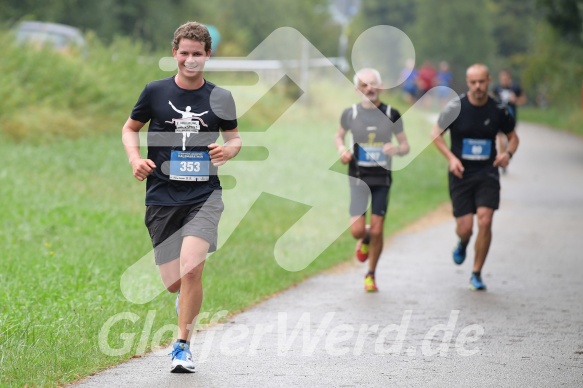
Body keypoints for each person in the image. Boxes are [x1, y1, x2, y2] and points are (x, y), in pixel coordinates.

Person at [121, 21, 241, 373]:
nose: (190, 59)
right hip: (161, 194)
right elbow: (130, 128)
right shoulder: (155, 92)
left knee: (192, 270)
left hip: (204, 194)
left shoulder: (220, 97)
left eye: (197, 54)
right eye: (184, 53)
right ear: (174, 53)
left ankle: (182, 346)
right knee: (174, 281)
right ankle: (182, 301)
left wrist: (228, 151)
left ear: (208, 55)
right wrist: (135, 159)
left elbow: (235, 137)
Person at [431, 64, 518, 291]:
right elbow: (436, 135)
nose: (478, 87)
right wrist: (451, 158)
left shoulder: (499, 109)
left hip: (487, 172)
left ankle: (476, 273)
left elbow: (513, 137)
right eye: (473, 82)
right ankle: (463, 242)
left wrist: (507, 154)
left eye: (481, 82)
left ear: (488, 81)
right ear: (467, 83)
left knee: (485, 220)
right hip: (461, 173)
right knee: (466, 227)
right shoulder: (455, 107)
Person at [335, 68, 410, 292]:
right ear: (358, 89)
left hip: (381, 179)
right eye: (364, 85)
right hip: (358, 178)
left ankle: (371, 274)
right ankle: (365, 238)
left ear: (381, 85)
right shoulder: (350, 114)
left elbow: (406, 146)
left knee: (378, 230)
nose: (369, 89)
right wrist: (341, 150)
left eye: (373, 84)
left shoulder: (392, 113)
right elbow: (339, 135)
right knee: (357, 231)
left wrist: (396, 150)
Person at [493, 69, 526, 173]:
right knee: (500, 139)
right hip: (498, 117)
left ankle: (507, 154)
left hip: (511, 117)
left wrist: (515, 100)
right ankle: (503, 159)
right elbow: (490, 98)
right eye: (502, 78)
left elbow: (523, 99)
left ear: (509, 78)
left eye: (505, 78)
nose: (503, 80)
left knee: (509, 139)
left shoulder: (515, 88)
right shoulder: (496, 88)